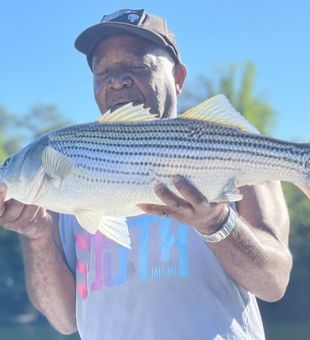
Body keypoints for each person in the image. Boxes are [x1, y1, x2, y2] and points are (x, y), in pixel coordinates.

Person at [0, 9, 292, 340]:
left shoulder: (236, 154)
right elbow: (65, 320)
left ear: (178, 78)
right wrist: (36, 236)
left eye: (138, 67)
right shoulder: (64, 194)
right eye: (103, 71)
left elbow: (273, 283)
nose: (117, 80)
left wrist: (217, 223)